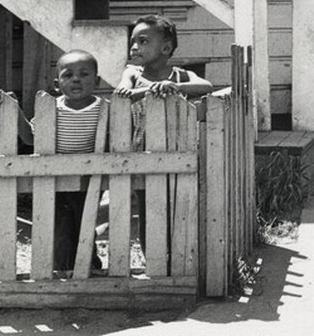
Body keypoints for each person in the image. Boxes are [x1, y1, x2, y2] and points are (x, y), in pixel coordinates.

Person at [114, 14, 212, 256]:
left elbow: (207, 86)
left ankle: (179, 259)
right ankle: (154, 261)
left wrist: (175, 88)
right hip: (144, 157)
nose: (134, 46)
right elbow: (122, 90)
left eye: (143, 41)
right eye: (133, 41)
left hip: (179, 154)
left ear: (166, 48)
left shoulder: (180, 76)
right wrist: (145, 90)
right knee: (149, 211)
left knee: (179, 208)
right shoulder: (134, 74)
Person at [51, 49, 105, 274]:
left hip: (89, 178)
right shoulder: (51, 108)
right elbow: (31, 137)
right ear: (57, 84)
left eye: (84, 74)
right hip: (55, 178)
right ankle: (62, 267)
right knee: (61, 225)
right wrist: (14, 112)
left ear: (97, 81)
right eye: (68, 74)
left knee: (85, 223)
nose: (75, 79)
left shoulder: (104, 109)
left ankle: (89, 265)